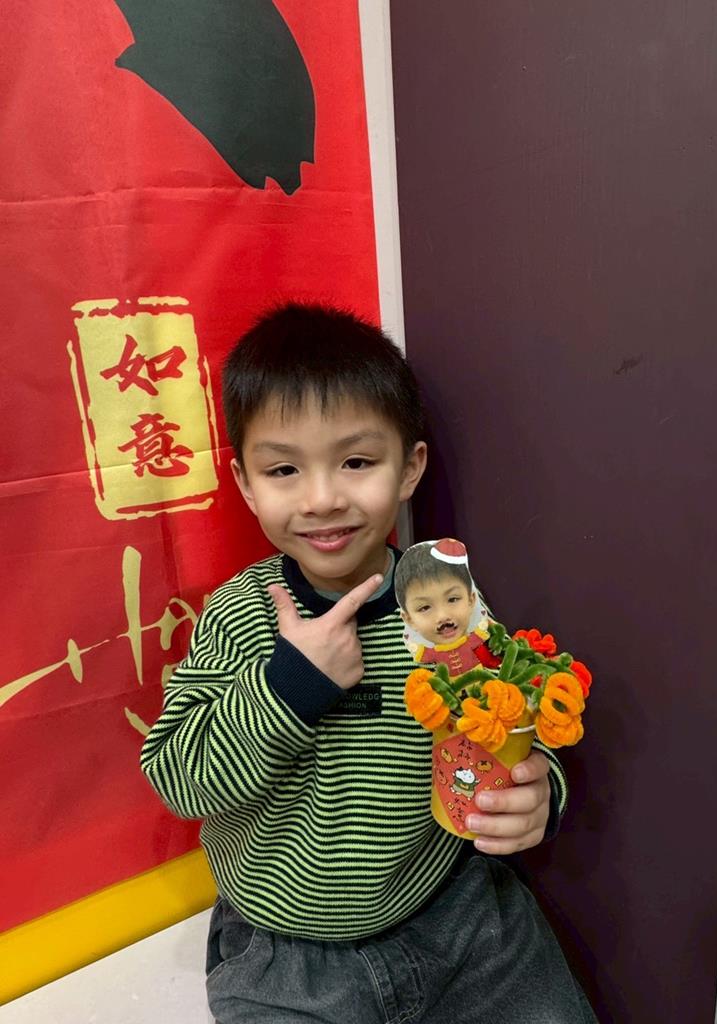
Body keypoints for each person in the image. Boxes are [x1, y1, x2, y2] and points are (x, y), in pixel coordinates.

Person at [140, 303, 596, 1023]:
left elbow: (508, 718)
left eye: (356, 462)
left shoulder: (446, 601)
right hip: (285, 956)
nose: (323, 499)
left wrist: (541, 790)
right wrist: (291, 686)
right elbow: (179, 778)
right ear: (246, 483)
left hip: (454, 915)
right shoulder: (239, 615)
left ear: (409, 467)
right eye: (284, 469)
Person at [395, 537, 502, 676]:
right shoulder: (414, 665)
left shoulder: (489, 637)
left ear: (471, 600)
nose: (443, 616)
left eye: (452, 599)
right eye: (425, 608)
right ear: (409, 619)